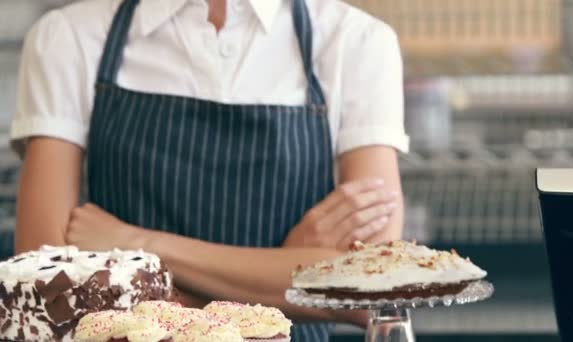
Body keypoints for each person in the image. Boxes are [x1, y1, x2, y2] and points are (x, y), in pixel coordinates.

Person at [11, 0, 408, 340]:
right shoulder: (68, 38)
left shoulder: (357, 44)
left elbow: (370, 294)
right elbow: (42, 298)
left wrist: (137, 245)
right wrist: (287, 270)